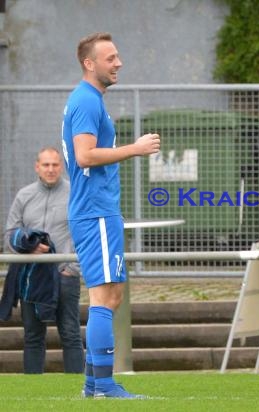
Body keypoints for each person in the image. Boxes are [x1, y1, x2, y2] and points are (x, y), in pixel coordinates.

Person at [61, 32, 160, 399]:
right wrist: (134, 149)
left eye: (118, 57)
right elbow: (85, 155)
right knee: (104, 297)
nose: (118, 63)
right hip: (94, 212)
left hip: (99, 211)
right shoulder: (85, 101)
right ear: (90, 63)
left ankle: (94, 383)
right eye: (111, 58)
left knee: (112, 295)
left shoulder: (90, 100)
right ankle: (102, 384)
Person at [2, 147, 84, 374]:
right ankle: (32, 388)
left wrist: (72, 268)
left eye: (55, 165)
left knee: (70, 333)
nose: (50, 169)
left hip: (64, 275)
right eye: (46, 165)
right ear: (37, 167)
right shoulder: (24, 195)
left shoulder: (75, 194)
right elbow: (9, 234)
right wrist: (28, 249)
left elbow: (86, 233)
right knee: (33, 335)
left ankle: (78, 389)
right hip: (32, 277)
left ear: (61, 167)